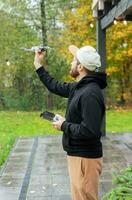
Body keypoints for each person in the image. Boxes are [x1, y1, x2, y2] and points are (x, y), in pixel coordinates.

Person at [33, 45, 107, 200]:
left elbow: (90, 131)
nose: (71, 63)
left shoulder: (90, 93)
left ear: (80, 67)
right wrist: (38, 65)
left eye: (74, 60)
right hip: (77, 155)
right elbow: (54, 85)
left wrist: (64, 125)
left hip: (85, 159)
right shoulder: (79, 87)